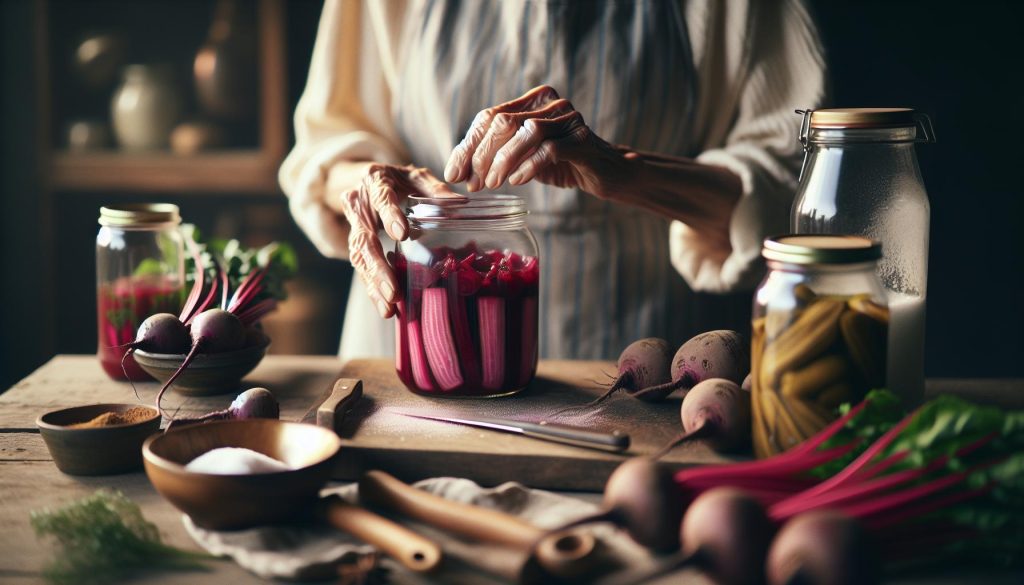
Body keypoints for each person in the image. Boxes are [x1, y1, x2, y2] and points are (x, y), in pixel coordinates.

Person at [280, 0, 827, 361]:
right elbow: (326, 146)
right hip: (412, 354)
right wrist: (366, 184)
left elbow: (803, 189)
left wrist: (626, 172)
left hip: (652, 370)